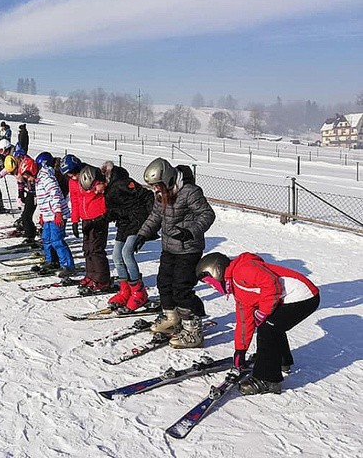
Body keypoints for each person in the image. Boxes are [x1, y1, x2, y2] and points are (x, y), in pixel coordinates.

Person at [196, 252, 320, 395]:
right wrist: (240, 351)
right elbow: (244, 321)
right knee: (272, 325)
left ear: (216, 271)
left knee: (268, 328)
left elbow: (271, 283)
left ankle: (268, 380)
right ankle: (279, 360)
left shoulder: (242, 270)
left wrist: (263, 311)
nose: (212, 288)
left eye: (210, 283)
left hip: (304, 295)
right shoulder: (238, 290)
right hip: (290, 298)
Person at [134, 158, 216, 349]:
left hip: (188, 248)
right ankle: (172, 317)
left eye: (157, 185)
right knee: (163, 283)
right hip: (169, 247)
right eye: (152, 186)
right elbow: (156, 216)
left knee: (181, 288)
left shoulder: (190, 192)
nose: (155, 190)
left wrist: (191, 231)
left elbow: (207, 214)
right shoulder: (161, 194)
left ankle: (192, 328)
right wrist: (142, 235)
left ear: (168, 179)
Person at [105, 163, 155, 313]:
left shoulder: (122, 183)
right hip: (124, 224)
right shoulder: (108, 189)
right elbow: (118, 209)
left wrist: (149, 217)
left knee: (127, 253)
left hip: (137, 222)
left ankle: (139, 292)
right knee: (116, 256)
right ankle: (125, 291)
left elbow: (147, 195)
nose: (95, 190)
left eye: (96, 186)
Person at [60, 154, 112, 295]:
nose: (72, 177)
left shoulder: (91, 174)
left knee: (96, 249)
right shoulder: (72, 181)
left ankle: (102, 280)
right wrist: (75, 220)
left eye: (72, 173)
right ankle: (91, 276)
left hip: (98, 217)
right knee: (87, 248)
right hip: (85, 218)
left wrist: (104, 213)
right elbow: (75, 201)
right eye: (69, 175)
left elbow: (103, 191)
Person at [33, 152, 76, 278]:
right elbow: (43, 199)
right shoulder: (40, 178)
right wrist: (42, 214)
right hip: (47, 215)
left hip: (56, 215)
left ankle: (68, 266)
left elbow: (55, 194)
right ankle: (51, 260)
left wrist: (57, 212)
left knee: (57, 240)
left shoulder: (47, 177)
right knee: (46, 238)